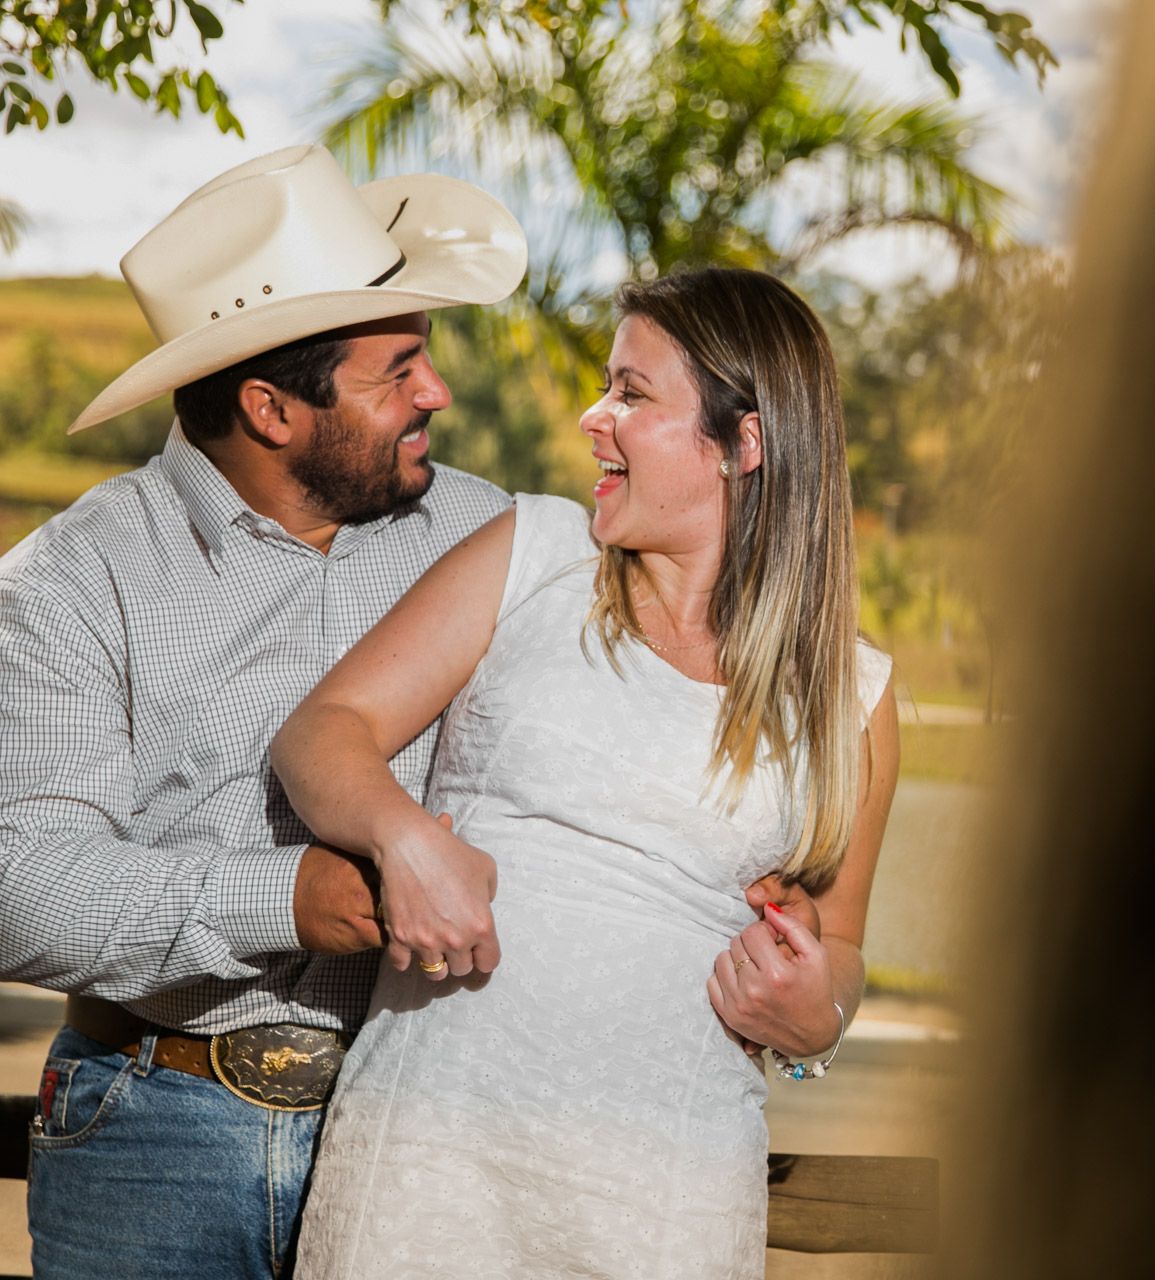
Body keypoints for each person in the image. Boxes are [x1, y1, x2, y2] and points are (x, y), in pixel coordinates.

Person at [0, 147, 812, 1279]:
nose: (435, 394)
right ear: (268, 407)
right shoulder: (60, 588)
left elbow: (656, 725)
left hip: (427, 1130)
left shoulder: (498, 536)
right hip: (155, 1130)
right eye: (395, 371)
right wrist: (293, 895)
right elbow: (16, 891)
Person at [269, 267, 899, 1278]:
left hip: (662, 1209)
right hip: (426, 1176)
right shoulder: (536, 552)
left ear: (747, 443)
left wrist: (814, 1009)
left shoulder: (853, 695)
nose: (592, 416)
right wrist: (405, 834)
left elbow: (846, 947)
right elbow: (322, 732)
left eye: (634, 395)